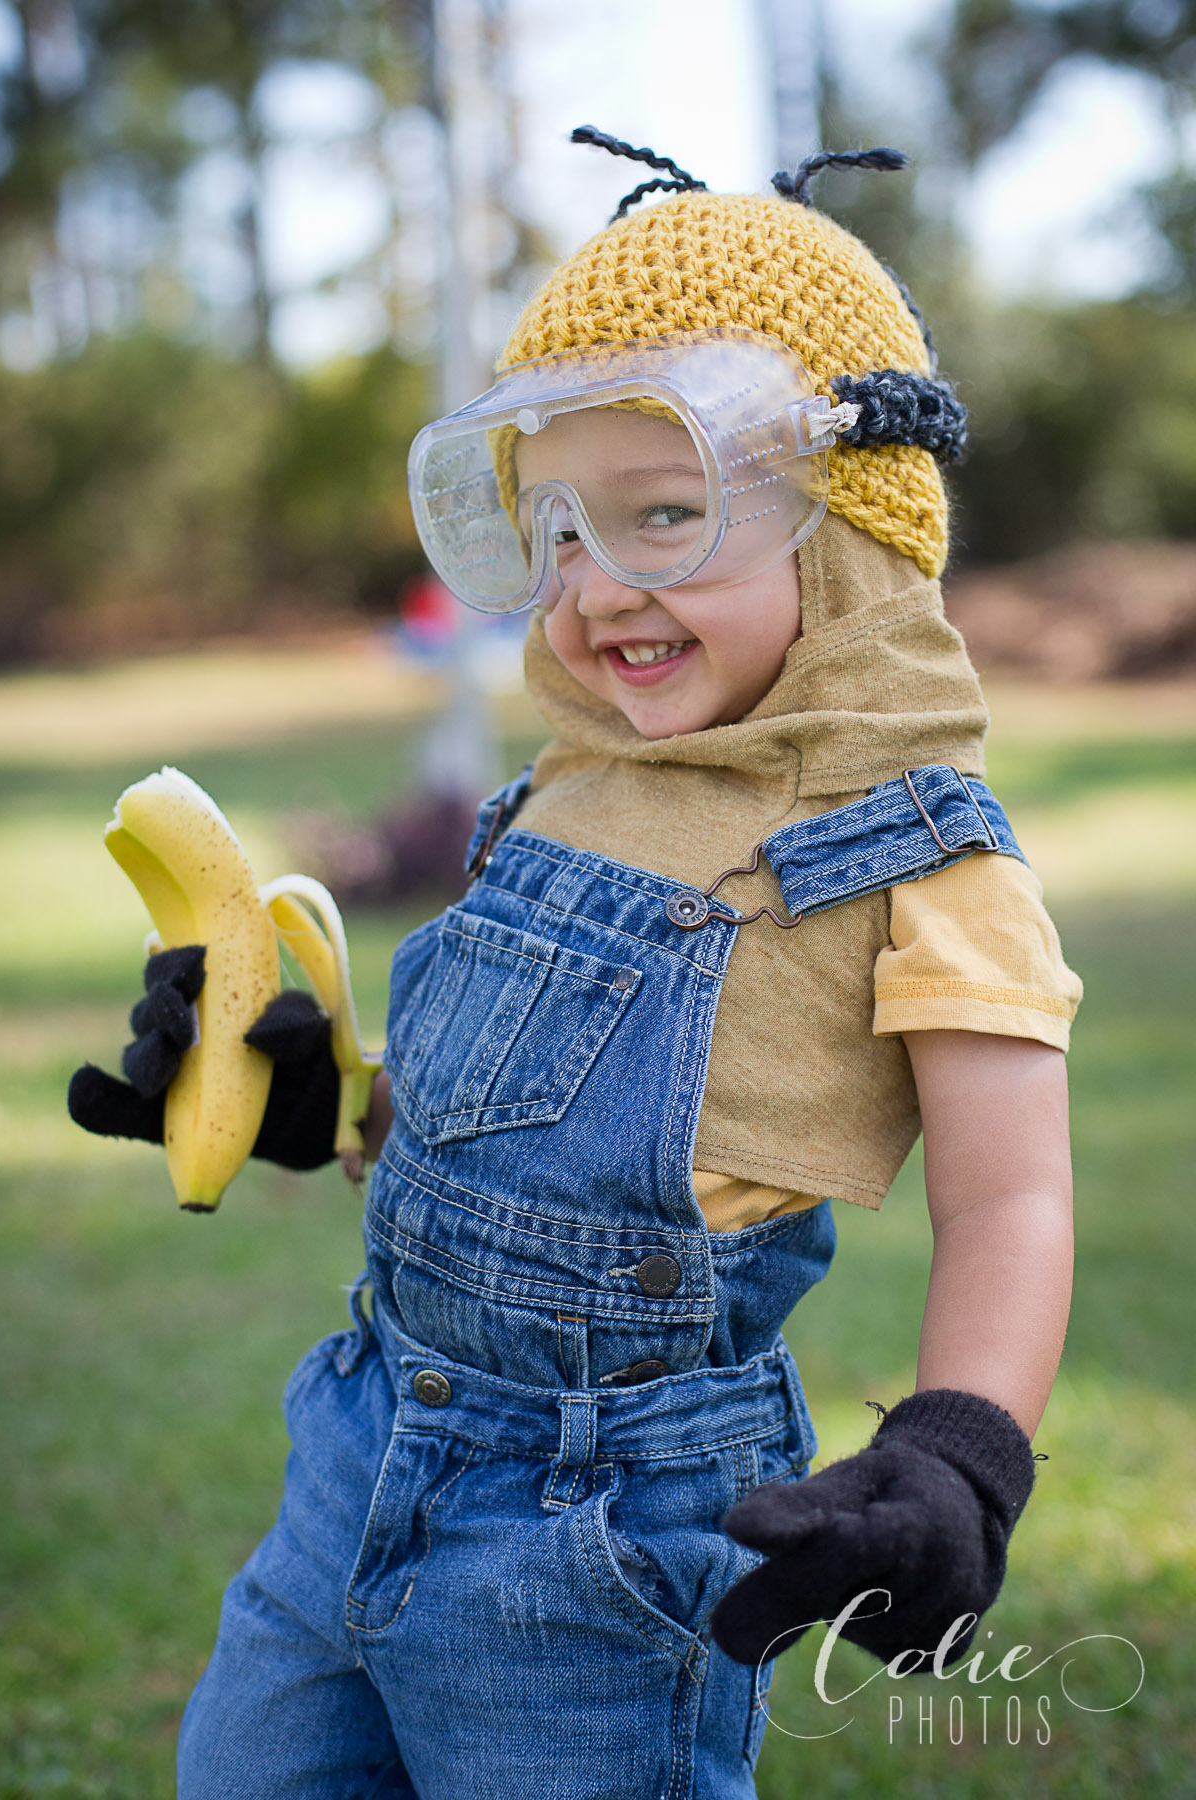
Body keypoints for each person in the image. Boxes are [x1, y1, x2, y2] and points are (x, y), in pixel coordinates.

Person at [69, 133, 1082, 1800]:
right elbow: (496, 1125)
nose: (594, 590)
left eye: (666, 517)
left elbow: (1013, 1201)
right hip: (363, 1444)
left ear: (845, 525)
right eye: (549, 532)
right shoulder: (559, 795)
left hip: (606, 1525)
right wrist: (315, 1102)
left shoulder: (924, 857)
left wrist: (960, 1456)